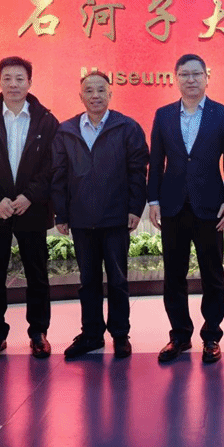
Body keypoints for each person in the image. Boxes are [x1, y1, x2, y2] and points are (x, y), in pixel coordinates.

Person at [0, 56, 58, 364]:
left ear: (29, 82)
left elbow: (54, 166)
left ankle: (38, 333)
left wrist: (31, 196)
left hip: (32, 209)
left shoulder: (46, 120)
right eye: (7, 78)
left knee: (37, 274)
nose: (13, 84)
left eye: (19, 79)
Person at [148, 54, 224, 364]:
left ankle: (211, 335)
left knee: (212, 274)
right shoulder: (163, 115)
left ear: (206, 77)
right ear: (176, 78)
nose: (191, 79)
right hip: (173, 206)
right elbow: (156, 161)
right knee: (174, 274)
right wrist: (153, 200)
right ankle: (179, 335)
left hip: (210, 206)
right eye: (185, 74)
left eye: (196, 74)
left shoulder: (223, 115)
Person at [52, 71, 149, 359]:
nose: (95, 96)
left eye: (101, 90)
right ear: (80, 96)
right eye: (89, 91)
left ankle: (120, 334)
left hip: (116, 217)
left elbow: (138, 172)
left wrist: (135, 208)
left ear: (110, 94)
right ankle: (91, 334)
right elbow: (58, 174)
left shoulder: (127, 127)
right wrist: (61, 214)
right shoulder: (66, 130)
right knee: (88, 281)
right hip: (81, 218)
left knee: (118, 280)